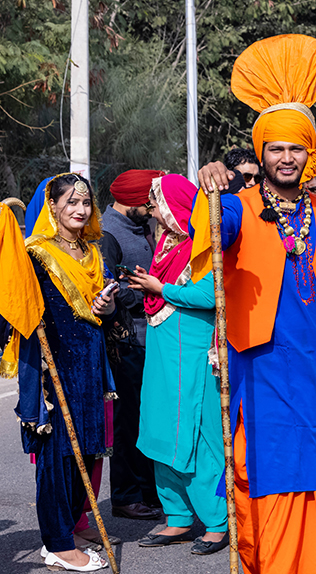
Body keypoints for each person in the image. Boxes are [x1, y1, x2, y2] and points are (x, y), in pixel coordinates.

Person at [192, 34, 316, 573]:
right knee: (268, 471)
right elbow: (212, 237)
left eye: (295, 147)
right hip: (262, 370)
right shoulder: (239, 209)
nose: (286, 157)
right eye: (276, 148)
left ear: (308, 151)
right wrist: (210, 190)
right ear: (261, 153)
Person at [16, 174, 117, 571]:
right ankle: (57, 544)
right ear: (52, 206)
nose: (79, 210)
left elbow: (99, 309)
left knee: (88, 449)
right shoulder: (35, 253)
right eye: (70, 202)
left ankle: (69, 527)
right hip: (52, 365)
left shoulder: (92, 252)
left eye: (86, 203)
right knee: (57, 454)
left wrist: (108, 306)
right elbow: (17, 304)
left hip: (91, 363)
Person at [128, 174, 229, 555]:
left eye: (156, 204)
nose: (151, 211)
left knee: (195, 432)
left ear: (174, 207)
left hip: (192, 349)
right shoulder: (167, 244)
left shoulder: (201, 242)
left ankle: (217, 521)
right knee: (159, 427)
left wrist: (160, 288)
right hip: (163, 348)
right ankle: (177, 517)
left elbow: (209, 293)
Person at [101, 169, 163, 521]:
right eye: (149, 201)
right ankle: (125, 496)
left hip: (149, 335)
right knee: (128, 420)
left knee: (147, 416)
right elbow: (108, 285)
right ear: (132, 200)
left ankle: (148, 491)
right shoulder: (108, 233)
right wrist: (149, 295)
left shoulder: (142, 226)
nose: (153, 207)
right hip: (126, 342)